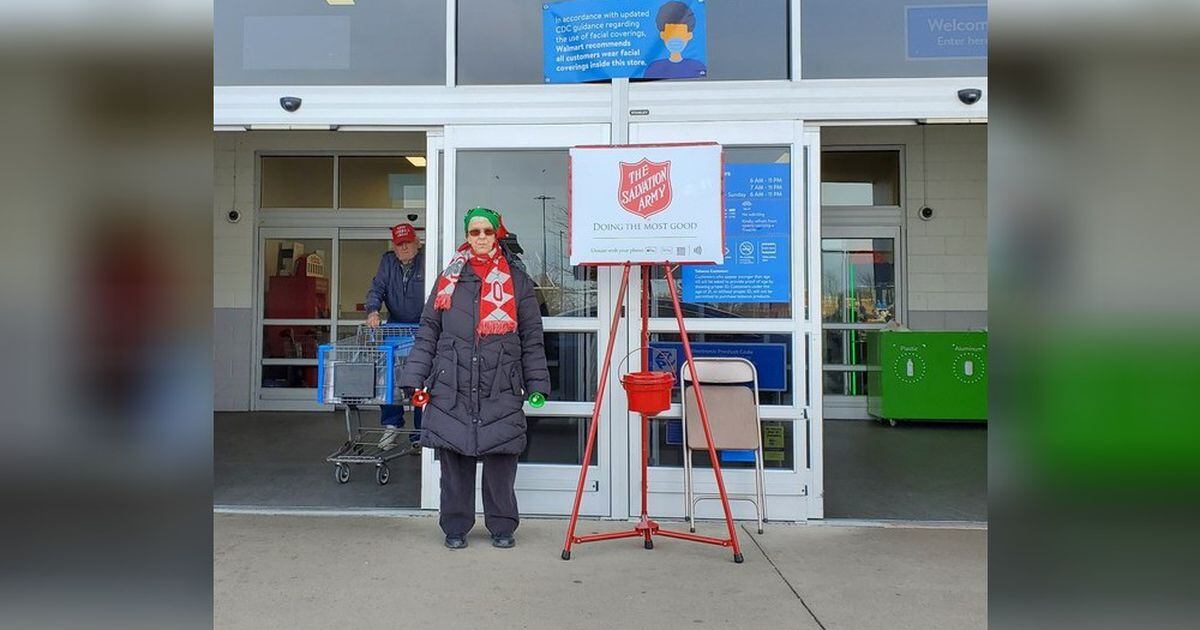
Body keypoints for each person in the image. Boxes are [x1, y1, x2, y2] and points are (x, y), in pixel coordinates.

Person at [399, 207, 550, 550]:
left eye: (486, 231)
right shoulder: (448, 278)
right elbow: (428, 332)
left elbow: (532, 337)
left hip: (501, 381)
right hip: (452, 381)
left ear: (497, 234)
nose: (480, 237)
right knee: (455, 461)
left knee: (500, 460)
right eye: (473, 232)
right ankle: (455, 526)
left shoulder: (517, 280)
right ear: (466, 236)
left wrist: (538, 384)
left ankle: (502, 526)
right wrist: (415, 377)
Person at [364, 222, 425, 452]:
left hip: (423, 328)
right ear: (394, 246)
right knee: (388, 379)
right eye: (400, 244)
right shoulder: (388, 261)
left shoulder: (427, 260)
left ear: (417, 243)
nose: (404, 248)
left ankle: (420, 433)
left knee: (422, 382)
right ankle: (392, 425)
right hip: (395, 329)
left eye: (408, 242)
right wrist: (372, 311)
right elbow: (377, 288)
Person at [642, 2, 707, 79]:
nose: (676, 39)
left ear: (689, 35)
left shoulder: (698, 67)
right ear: (662, 35)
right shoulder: (653, 69)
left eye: (680, 34)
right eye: (671, 33)